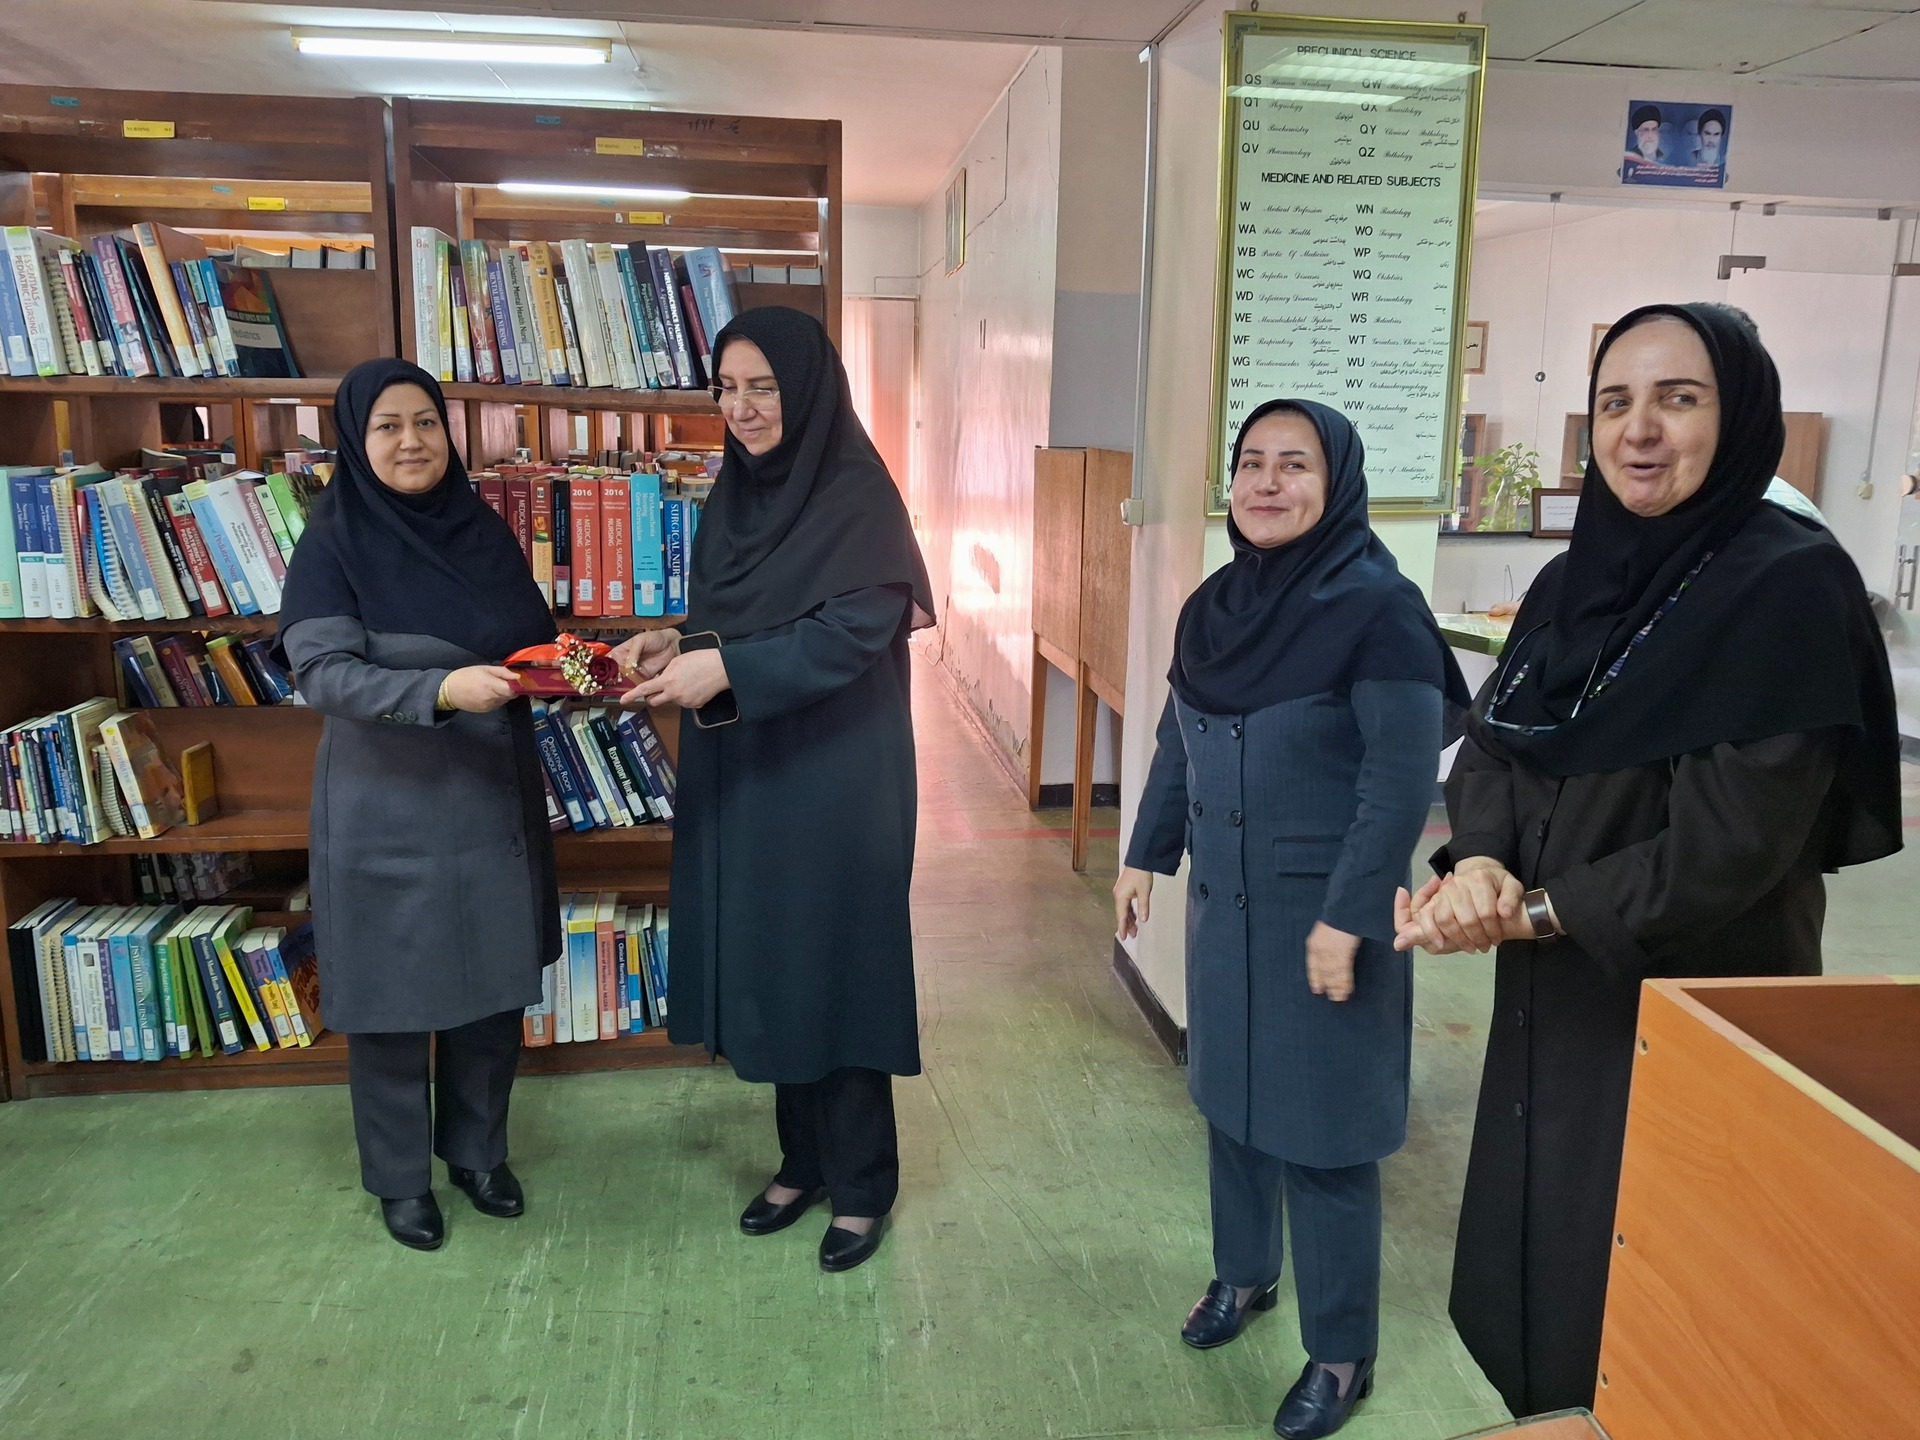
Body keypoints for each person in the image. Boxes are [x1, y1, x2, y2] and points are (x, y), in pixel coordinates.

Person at [1396, 303, 1902, 1416]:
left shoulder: (1786, 589)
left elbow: (1729, 849)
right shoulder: (1573, 581)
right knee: (1542, 1256)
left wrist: (1525, 911)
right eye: (1615, 402)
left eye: (1679, 399)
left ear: (1741, 415)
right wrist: (1476, 864)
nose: (1639, 430)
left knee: (1655, 1299)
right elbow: (1495, 741)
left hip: (1688, 999)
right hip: (1554, 995)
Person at [1113, 400, 1467, 1440]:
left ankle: (1342, 1352)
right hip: (1225, 912)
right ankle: (1244, 1275)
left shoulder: (1381, 610)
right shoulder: (1213, 607)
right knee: (1229, 1105)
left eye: (1295, 465)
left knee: (1325, 1138)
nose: (1268, 484)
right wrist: (1144, 855)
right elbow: (1179, 742)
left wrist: (1348, 916)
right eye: (1252, 464)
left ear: (1338, 481)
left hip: (1328, 925)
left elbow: (1400, 783)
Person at [613, 307, 934, 1274]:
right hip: (754, 764)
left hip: (839, 777)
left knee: (839, 968)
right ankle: (803, 1163)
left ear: (809, 389)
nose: (742, 408)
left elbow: (849, 631)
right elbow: (745, 620)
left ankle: (863, 1184)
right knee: (777, 964)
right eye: (727, 387)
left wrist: (726, 670)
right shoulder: (737, 495)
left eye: (764, 387)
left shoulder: (858, 496)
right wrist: (679, 642)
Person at [273, 358, 561, 1251]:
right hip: (386, 806)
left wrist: (589, 667)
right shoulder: (334, 541)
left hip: (489, 793)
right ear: (356, 442)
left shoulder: (482, 529)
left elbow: (531, 646)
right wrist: (439, 688)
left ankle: (478, 1154)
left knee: (491, 990)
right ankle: (401, 1180)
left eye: (427, 422)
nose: (412, 441)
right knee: (391, 1001)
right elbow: (323, 673)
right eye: (388, 426)